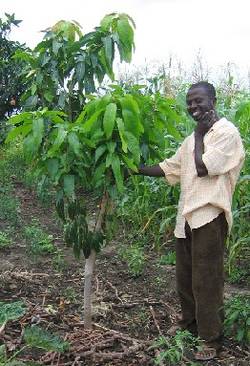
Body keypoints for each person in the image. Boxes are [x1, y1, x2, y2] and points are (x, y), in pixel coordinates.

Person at [136, 81, 245, 361]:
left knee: (206, 282)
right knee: (185, 280)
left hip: (209, 216)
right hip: (186, 218)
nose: (193, 107)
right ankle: (189, 326)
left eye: (199, 101)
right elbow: (171, 167)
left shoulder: (226, 133)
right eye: (190, 102)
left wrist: (198, 135)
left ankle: (211, 339)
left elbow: (203, 167)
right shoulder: (192, 140)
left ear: (214, 100)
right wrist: (134, 170)